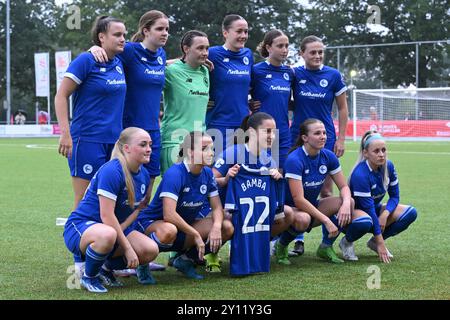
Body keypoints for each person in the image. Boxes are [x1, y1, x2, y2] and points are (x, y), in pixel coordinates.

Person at [63, 127, 159, 293]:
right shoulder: (112, 170)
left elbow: (131, 214)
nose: (149, 149)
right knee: (108, 234)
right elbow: (106, 216)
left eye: (150, 144)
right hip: (81, 227)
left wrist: (122, 237)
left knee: (150, 250)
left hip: (111, 230)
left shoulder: (143, 175)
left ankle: (105, 269)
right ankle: (89, 276)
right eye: (143, 144)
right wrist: (127, 248)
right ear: (126, 148)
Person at [90, 10, 169, 198]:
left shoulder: (162, 55)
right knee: (124, 185)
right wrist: (93, 48)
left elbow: (162, 66)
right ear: (146, 31)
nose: (165, 33)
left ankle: (140, 224)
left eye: (167, 29)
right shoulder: (130, 50)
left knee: (147, 187)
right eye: (160, 29)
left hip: (154, 131)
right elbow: (107, 52)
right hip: (129, 129)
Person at [134, 131, 234, 280]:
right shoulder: (175, 173)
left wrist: (216, 227)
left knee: (226, 227)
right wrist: (195, 234)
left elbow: (217, 207)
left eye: (212, 149)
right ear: (190, 152)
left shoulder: (207, 173)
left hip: (182, 227)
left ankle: (185, 260)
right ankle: (143, 263)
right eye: (204, 148)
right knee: (169, 230)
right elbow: (169, 215)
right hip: (153, 225)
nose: (211, 153)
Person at [55, 16, 127, 210]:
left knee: (111, 194)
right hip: (87, 139)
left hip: (114, 143)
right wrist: (65, 133)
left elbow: (153, 56)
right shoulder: (86, 60)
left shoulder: (120, 61)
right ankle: (79, 238)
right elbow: (61, 96)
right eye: (117, 35)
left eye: (124, 35)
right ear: (101, 37)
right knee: (85, 197)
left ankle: (108, 238)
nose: (122, 39)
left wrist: (189, 60)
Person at [290, 35, 349, 253]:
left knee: (325, 189)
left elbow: (343, 109)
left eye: (320, 52)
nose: (317, 56)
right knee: (297, 189)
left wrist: (341, 138)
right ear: (302, 54)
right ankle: (297, 238)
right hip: (298, 137)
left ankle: (328, 241)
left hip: (326, 138)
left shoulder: (333, 75)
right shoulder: (295, 74)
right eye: (312, 52)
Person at [273, 119, 359, 265]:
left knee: (349, 202)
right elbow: (298, 199)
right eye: (317, 133)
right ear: (304, 138)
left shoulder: (328, 156)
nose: (323, 136)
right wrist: (326, 221)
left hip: (311, 206)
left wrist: (345, 203)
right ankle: (281, 245)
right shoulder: (295, 159)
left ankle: (325, 247)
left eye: (324, 133)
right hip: (290, 210)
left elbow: (344, 187)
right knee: (303, 219)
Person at [213, 112, 293, 268]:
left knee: (288, 214)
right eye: (267, 131)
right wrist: (226, 179)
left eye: (274, 132)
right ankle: (209, 254)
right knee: (228, 226)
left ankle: (257, 245)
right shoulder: (233, 153)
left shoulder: (269, 160)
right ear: (251, 132)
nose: (272, 136)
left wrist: (276, 179)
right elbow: (208, 183)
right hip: (223, 211)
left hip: (253, 214)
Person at [343, 130, 417, 263]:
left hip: (373, 211)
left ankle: (373, 243)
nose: (381, 154)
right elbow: (368, 209)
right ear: (366, 153)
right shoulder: (360, 174)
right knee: (366, 221)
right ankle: (347, 242)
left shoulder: (388, 166)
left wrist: (385, 214)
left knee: (410, 213)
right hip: (353, 216)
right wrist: (381, 243)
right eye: (376, 151)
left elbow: (394, 196)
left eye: (383, 150)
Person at [160, 30, 210, 175]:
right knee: (173, 191)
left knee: (195, 193)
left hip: (200, 143)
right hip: (175, 140)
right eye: (200, 48)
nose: (205, 52)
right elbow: (147, 68)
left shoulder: (205, 72)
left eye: (207, 48)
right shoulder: (171, 71)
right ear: (186, 48)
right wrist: (168, 61)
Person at [206, 14, 254, 155]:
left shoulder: (248, 55)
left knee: (239, 170)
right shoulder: (213, 53)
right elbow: (187, 60)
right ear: (225, 33)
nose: (243, 35)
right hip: (218, 123)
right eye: (239, 31)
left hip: (243, 124)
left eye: (246, 31)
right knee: (217, 170)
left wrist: (252, 101)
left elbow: (249, 85)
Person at [251, 29, 293, 171]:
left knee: (281, 175)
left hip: (283, 133)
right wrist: (248, 103)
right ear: (268, 47)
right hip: (263, 133)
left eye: (287, 46)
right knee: (264, 174)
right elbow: (241, 92)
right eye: (280, 46)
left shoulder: (289, 72)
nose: (284, 50)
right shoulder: (256, 70)